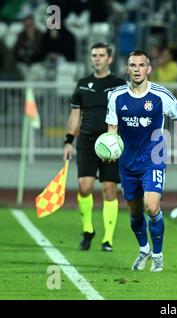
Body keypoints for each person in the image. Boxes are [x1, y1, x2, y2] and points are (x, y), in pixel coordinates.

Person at [106, 50, 177, 272]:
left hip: (153, 159)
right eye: (132, 65)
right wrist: (108, 149)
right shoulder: (116, 96)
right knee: (135, 213)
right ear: (127, 69)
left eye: (141, 65)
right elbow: (112, 132)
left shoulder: (160, 95)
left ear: (149, 69)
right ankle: (144, 249)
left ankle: (158, 254)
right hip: (127, 163)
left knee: (151, 206)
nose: (137, 69)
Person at [63, 42, 126, 252]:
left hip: (110, 143)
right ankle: (88, 230)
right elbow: (75, 115)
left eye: (101, 55)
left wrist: (119, 141)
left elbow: (126, 113)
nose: (96, 59)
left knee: (109, 190)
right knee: (85, 187)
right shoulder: (82, 84)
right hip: (88, 142)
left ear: (109, 59)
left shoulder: (119, 84)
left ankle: (107, 239)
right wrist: (68, 142)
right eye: (94, 55)